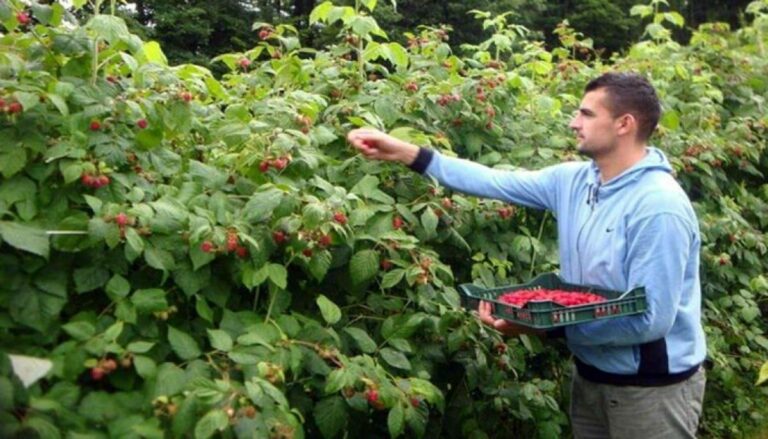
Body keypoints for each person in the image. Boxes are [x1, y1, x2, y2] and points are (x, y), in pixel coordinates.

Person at [346, 72, 707, 439]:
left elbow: (650, 321)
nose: (573, 122)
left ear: (624, 124)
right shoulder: (575, 181)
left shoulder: (658, 206)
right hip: (591, 377)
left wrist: (549, 326)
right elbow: (493, 181)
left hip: (649, 390)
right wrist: (408, 153)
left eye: (585, 114)